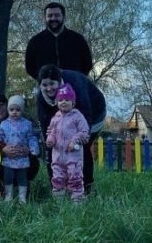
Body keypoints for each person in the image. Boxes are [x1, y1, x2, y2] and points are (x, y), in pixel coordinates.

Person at [35, 64, 105, 195]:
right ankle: (58, 187)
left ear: (59, 80)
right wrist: (49, 140)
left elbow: (86, 114)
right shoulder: (41, 96)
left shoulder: (75, 82)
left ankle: (85, 189)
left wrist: (81, 138)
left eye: (52, 84)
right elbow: (44, 125)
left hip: (94, 112)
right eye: (44, 85)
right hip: (62, 114)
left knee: (80, 149)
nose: (48, 88)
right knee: (57, 147)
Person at [0, 95, 39, 203]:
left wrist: (33, 149)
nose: (14, 112)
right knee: (8, 177)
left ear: (22, 110)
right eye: (12, 110)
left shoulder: (27, 124)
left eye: (17, 110)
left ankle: (22, 198)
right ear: (9, 110)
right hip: (8, 160)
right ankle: (8, 196)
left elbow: (31, 137)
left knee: (22, 178)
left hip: (22, 158)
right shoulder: (4, 124)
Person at [24, 2, 93, 79]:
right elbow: (29, 68)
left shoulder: (77, 39)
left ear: (64, 16)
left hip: (74, 84)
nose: (53, 18)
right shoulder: (35, 41)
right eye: (50, 16)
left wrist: (77, 79)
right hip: (46, 85)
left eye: (57, 15)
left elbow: (87, 64)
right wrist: (43, 79)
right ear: (45, 18)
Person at [45, 84, 88, 202]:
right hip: (58, 156)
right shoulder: (55, 118)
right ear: (57, 103)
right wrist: (50, 140)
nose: (63, 102)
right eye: (60, 100)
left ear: (73, 103)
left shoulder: (77, 116)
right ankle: (58, 200)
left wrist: (74, 140)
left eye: (67, 100)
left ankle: (77, 200)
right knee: (57, 178)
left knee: (75, 177)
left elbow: (84, 131)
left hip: (73, 155)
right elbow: (52, 132)